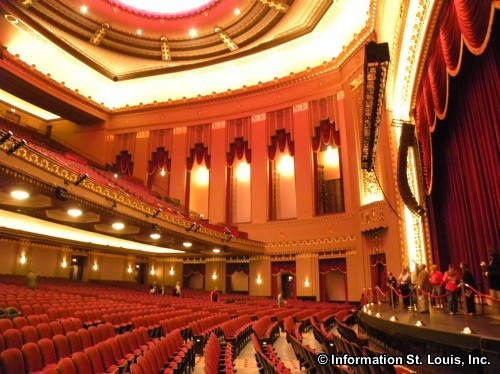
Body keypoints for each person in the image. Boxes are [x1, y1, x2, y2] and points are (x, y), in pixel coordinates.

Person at [481, 246, 500, 315]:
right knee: (494, 302)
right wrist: (485, 266)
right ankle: (497, 317)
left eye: (490, 252)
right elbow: (491, 269)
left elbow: (498, 272)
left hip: (498, 285)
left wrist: (488, 273)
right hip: (492, 285)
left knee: (498, 301)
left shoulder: (498, 260)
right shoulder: (492, 260)